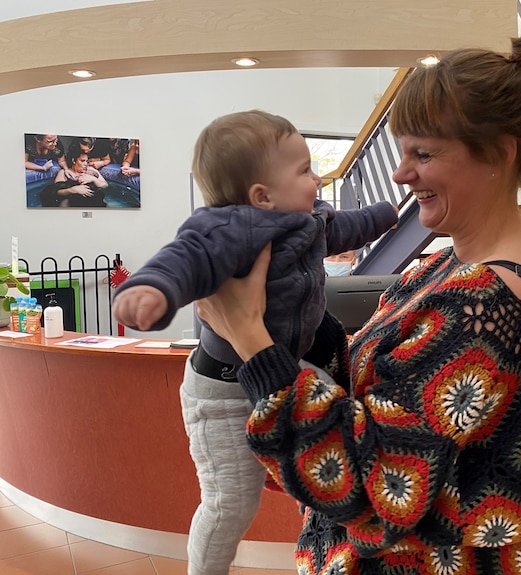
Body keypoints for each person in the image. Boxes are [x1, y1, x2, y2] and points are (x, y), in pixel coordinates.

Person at [194, 34, 521, 575]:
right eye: (403, 152)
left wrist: (252, 342)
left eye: (423, 154)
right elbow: (368, 396)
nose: (402, 174)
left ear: (499, 154)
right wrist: (281, 310)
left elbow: (374, 487)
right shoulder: (446, 269)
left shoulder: (490, 301)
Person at [111, 110, 398, 575]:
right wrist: (152, 290)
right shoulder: (225, 229)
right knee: (230, 503)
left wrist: (383, 216)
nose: (317, 177)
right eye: (305, 170)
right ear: (262, 196)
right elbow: (183, 260)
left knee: (334, 419)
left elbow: (346, 227)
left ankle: (337, 534)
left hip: (285, 366)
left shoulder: (309, 220)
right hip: (223, 391)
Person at [39, 143, 109, 207]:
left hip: (91, 202)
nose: (85, 164)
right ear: (74, 161)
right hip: (71, 203)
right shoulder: (64, 173)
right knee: (64, 202)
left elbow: (105, 185)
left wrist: (93, 179)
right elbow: (54, 192)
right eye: (82, 161)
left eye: (87, 161)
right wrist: (72, 190)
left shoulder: (91, 171)